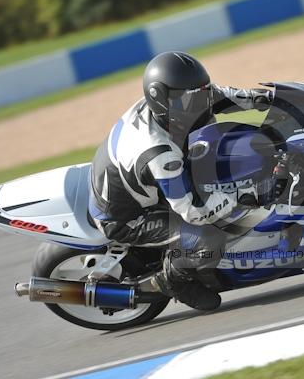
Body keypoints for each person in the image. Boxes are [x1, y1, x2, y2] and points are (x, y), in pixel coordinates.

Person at [88, 51, 274, 311]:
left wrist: (266, 99)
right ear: (161, 99)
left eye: (200, 95)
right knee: (208, 236)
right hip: (126, 218)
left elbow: (217, 95)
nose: (199, 105)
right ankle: (173, 280)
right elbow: (192, 211)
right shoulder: (158, 151)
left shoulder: (168, 107)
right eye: (189, 101)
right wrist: (244, 196)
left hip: (129, 181)